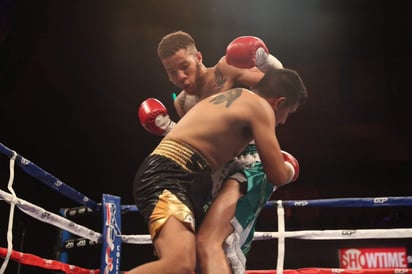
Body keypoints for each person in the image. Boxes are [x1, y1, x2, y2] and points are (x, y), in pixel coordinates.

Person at [138, 31, 304, 274]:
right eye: (172, 72)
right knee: (194, 252)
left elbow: (279, 85)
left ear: (198, 57)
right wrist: (167, 128)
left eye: (184, 66)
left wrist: (264, 60)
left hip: (249, 162)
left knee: (209, 244)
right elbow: (203, 137)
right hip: (202, 173)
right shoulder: (182, 103)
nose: (181, 77)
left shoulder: (225, 69)